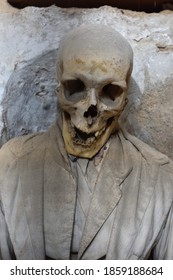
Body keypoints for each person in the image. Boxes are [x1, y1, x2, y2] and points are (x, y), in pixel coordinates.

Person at [0, 25, 173, 260]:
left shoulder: (159, 178)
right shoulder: (9, 166)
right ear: (58, 86)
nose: (91, 108)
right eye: (76, 88)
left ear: (124, 100)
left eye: (109, 92)